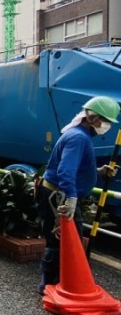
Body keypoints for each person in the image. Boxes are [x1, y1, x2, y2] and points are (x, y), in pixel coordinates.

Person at [37, 96, 120, 294]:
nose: (106, 126)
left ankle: (61, 281)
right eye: (105, 121)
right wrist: (72, 198)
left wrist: (98, 171)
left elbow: (75, 166)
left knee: (68, 240)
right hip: (58, 197)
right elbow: (65, 171)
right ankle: (48, 284)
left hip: (59, 194)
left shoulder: (78, 135)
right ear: (92, 118)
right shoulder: (78, 138)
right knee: (57, 241)